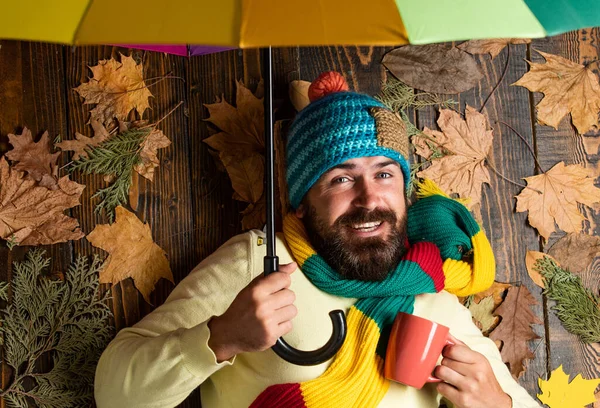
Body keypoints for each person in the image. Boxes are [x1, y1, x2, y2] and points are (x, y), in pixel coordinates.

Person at [94, 72, 541, 408]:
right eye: (341, 178)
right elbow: (114, 393)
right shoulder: (260, 264)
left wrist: (497, 403)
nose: (370, 198)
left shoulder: (433, 296)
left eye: (384, 174)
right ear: (303, 201)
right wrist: (220, 337)